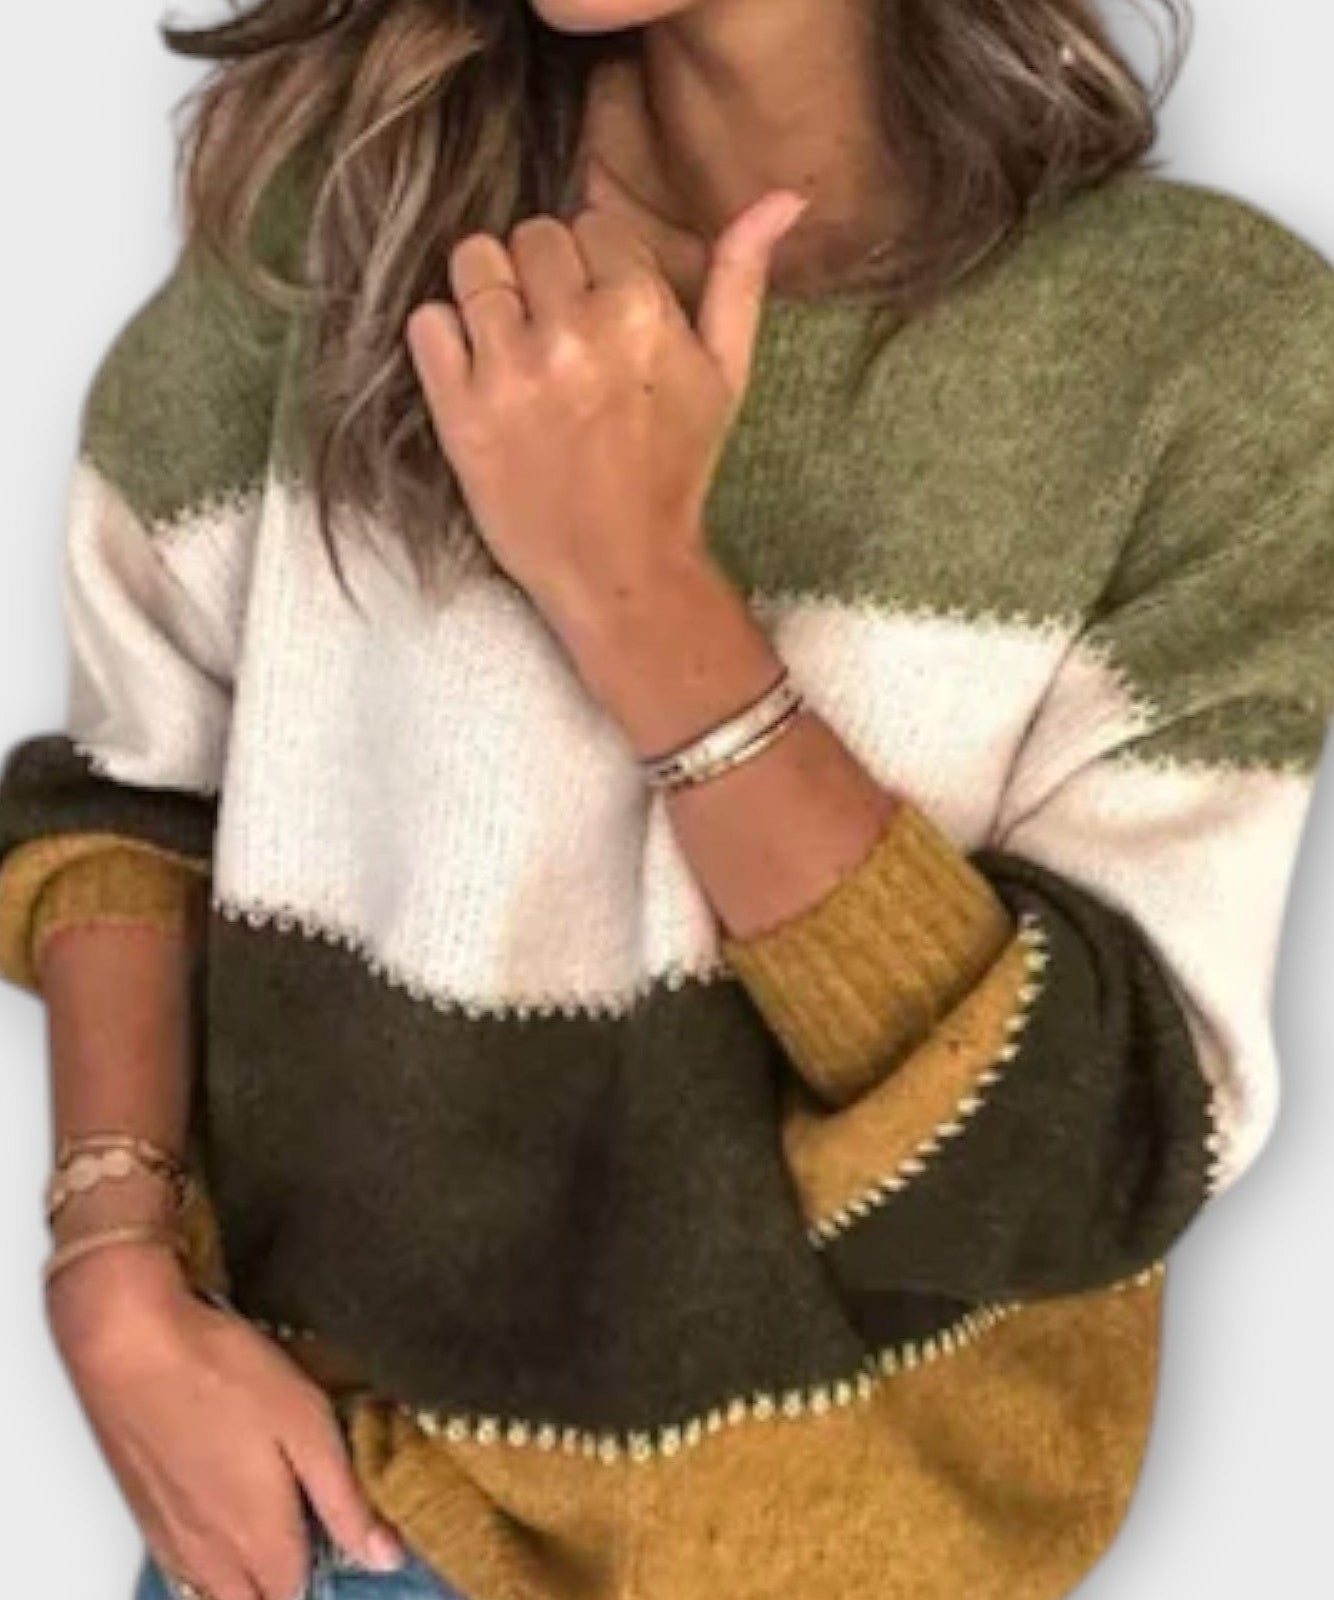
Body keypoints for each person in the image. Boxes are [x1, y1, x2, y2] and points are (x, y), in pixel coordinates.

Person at [2, 0, 1333, 1597]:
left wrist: (637, 592)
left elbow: (1084, 1156)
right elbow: (133, 803)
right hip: (344, 1533)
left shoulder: (1202, 354)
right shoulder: (352, 216)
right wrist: (110, 1261)